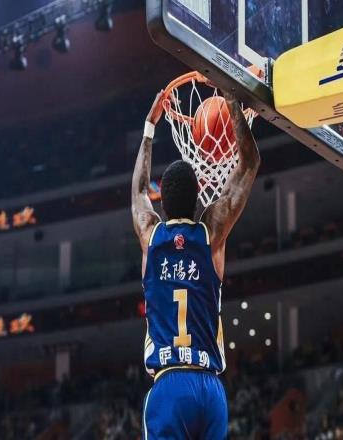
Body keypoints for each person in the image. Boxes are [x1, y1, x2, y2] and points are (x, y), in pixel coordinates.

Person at [132, 88, 260, 439]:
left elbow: (139, 192)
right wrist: (232, 100)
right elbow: (250, 163)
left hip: (170, 385)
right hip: (210, 389)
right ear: (197, 200)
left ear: (163, 201)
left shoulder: (150, 236)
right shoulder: (211, 235)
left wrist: (149, 128)